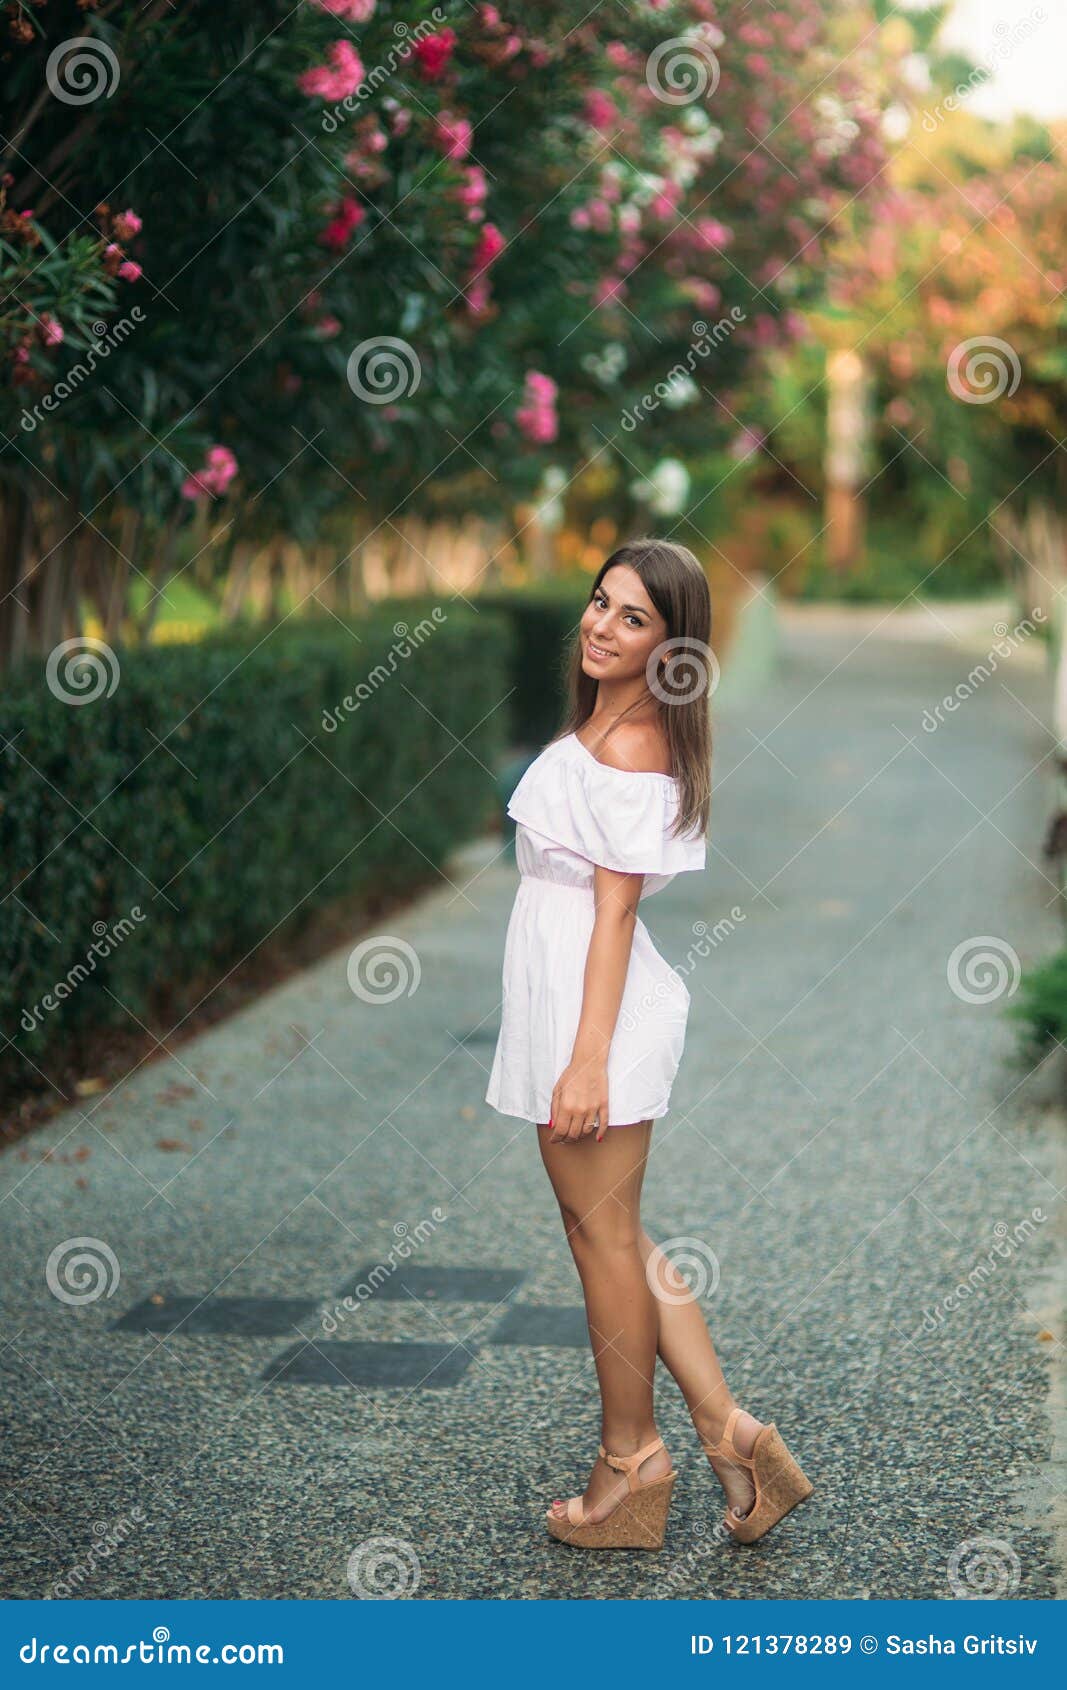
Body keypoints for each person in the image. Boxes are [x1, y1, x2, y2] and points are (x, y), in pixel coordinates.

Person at [485, 537, 812, 1549]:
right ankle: (731, 1435)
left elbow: (614, 917)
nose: (599, 625)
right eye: (598, 603)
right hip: (573, 993)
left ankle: (629, 1467)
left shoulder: (629, 750)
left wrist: (583, 1059)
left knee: (602, 1244)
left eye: (631, 618)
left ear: (669, 648)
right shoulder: (611, 723)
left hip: (596, 1007)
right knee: (615, 1233)